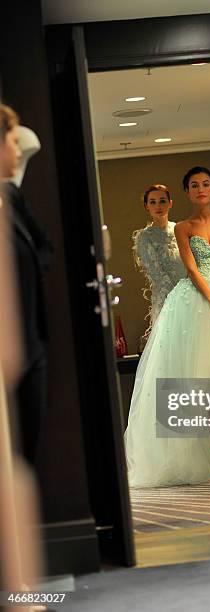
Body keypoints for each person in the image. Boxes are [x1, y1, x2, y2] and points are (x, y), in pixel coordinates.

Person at [125, 166, 210, 488]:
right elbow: (191, 269)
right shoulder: (182, 226)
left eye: (206, 184)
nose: (201, 189)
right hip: (199, 299)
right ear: (187, 192)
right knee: (205, 379)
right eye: (194, 185)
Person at [1, 105, 52, 466]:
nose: (19, 150)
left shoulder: (10, 197)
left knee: (24, 460)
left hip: (29, 341)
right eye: (10, 140)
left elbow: (43, 246)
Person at [132, 184, 185, 340]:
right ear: (146, 206)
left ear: (170, 203)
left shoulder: (180, 229)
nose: (158, 206)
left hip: (189, 294)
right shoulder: (144, 237)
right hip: (166, 298)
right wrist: (178, 296)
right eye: (152, 202)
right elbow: (157, 274)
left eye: (162, 201)